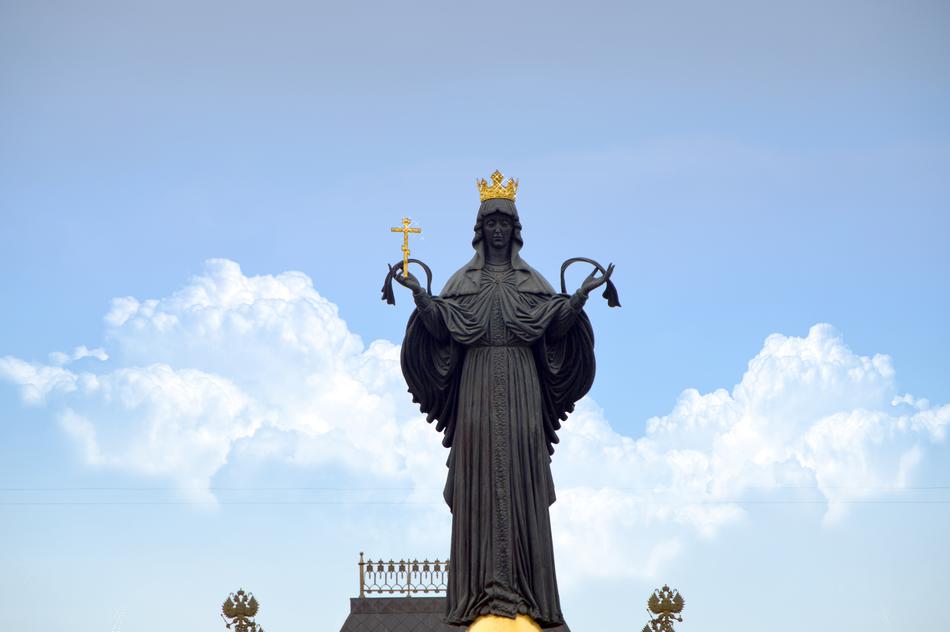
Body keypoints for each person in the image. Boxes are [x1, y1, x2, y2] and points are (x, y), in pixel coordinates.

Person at [392, 192, 612, 628]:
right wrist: (420, 296)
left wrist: (580, 299)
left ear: (515, 232)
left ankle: (529, 596)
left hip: (522, 386)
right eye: (490, 223)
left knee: (521, 478)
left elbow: (554, 328)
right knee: (479, 478)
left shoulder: (532, 282)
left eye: (504, 224)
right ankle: (480, 593)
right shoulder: (462, 282)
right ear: (480, 231)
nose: (497, 230)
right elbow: (441, 331)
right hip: (474, 387)